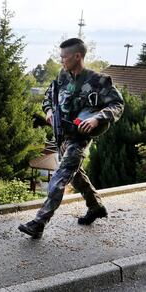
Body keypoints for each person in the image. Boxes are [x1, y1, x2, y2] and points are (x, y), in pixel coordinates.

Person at [18, 38, 124, 239]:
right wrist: (49, 111)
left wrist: (96, 118)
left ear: (78, 56)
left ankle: (39, 223)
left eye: (64, 57)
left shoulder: (99, 80)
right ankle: (96, 207)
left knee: (59, 177)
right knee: (75, 175)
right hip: (61, 135)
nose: (61, 61)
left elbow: (117, 105)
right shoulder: (61, 78)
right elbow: (49, 97)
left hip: (80, 138)